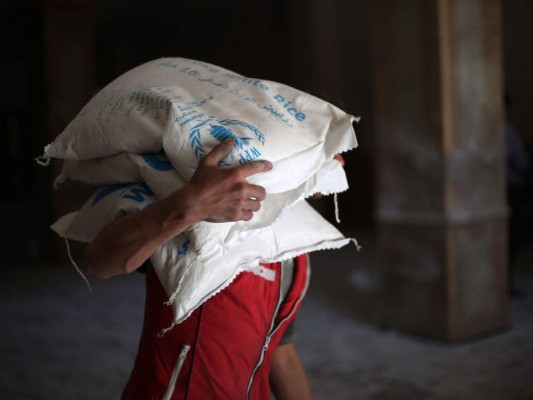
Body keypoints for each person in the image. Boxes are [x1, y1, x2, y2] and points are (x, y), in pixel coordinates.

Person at [84, 137, 314, 399]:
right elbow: (98, 262)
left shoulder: (295, 244)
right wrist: (188, 207)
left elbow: (278, 349)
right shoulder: (184, 201)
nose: (340, 162)